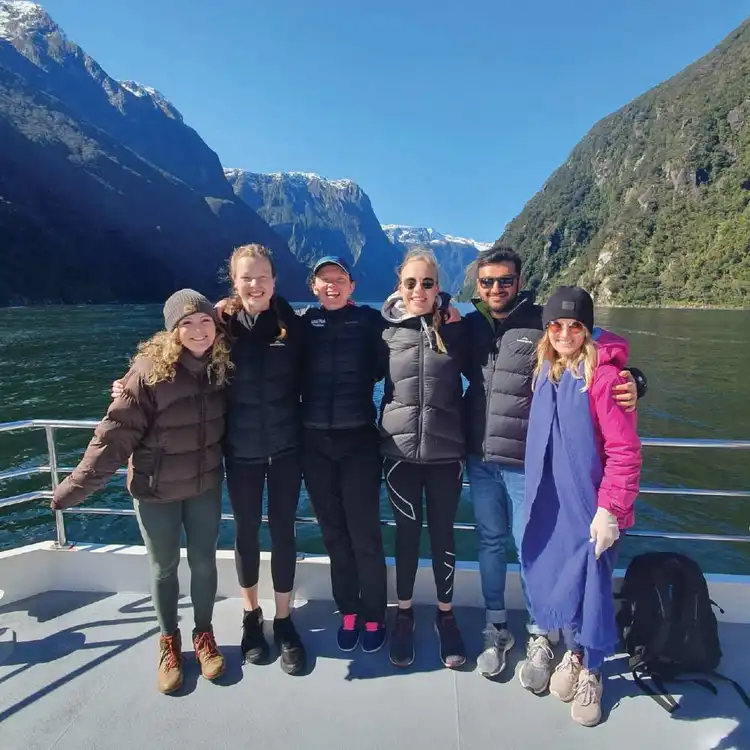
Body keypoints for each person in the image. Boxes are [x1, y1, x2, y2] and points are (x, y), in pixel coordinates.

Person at [462, 244, 645, 684]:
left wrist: (634, 378)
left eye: (505, 280)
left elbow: (600, 344)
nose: (496, 288)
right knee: (489, 543)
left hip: (527, 461)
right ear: (477, 285)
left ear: (519, 282)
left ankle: (540, 634)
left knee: (534, 546)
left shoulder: (543, 321)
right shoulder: (466, 326)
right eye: (487, 281)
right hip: (478, 457)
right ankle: (496, 627)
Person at [52, 290, 230, 694]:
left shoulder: (222, 368)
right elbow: (113, 438)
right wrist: (73, 489)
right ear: (172, 331)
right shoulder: (148, 372)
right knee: (164, 567)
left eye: (205, 322)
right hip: (155, 489)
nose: (199, 331)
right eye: (187, 323)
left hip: (204, 485)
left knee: (204, 563)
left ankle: (204, 635)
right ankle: (169, 640)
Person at [521, 286, 642, 727]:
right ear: (546, 329)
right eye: (556, 325)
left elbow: (625, 450)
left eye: (575, 326)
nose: (565, 333)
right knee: (563, 579)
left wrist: (610, 508)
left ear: (588, 330)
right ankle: (573, 652)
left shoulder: (605, 378)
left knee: (593, 584)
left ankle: (593, 670)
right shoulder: (546, 372)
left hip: (592, 506)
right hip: (554, 503)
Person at [220, 243, 307, 675]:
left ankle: (284, 619)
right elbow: (172, 349)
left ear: (275, 280)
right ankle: (251, 617)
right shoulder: (220, 325)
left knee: (285, 533)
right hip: (240, 451)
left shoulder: (291, 323)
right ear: (235, 283)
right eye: (246, 277)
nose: (255, 284)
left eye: (262, 277)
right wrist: (130, 380)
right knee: (247, 533)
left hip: (288, 448)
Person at [379, 248, 467, 669]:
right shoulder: (385, 332)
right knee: (406, 535)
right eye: (411, 283)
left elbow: (501, 364)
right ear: (399, 286)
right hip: (398, 454)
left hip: (447, 452)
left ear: (438, 288)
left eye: (427, 283)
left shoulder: (456, 330)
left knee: (444, 535)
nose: (419, 290)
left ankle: (446, 616)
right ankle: (404, 612)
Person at [297, 256, 388, 653]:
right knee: (333, 534)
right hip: (313, 445)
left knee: (364, 534)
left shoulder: (371, 323)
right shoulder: (300, 324)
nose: (331, 285)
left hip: (359, 443)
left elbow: (408, 336)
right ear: (312, 287)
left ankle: (375, 614)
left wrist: (444, 308)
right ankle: (347, 610)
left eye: (339, 279)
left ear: (352, 285)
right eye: (324, 280)